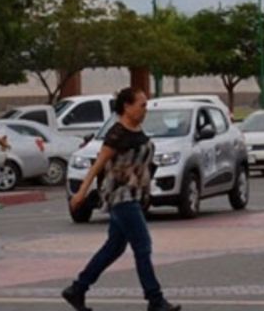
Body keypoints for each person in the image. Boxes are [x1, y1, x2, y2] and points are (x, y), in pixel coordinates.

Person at [63, 88, 181, 311]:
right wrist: (81, 193)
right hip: (120, 196)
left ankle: (77, 289)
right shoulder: (117, 134)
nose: (145, 109)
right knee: (142, 246)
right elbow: (98, 164)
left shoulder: (137, 129)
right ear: (127, 106)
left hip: (135, 195)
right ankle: (155, 299)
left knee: (114, 248)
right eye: (142, 105)